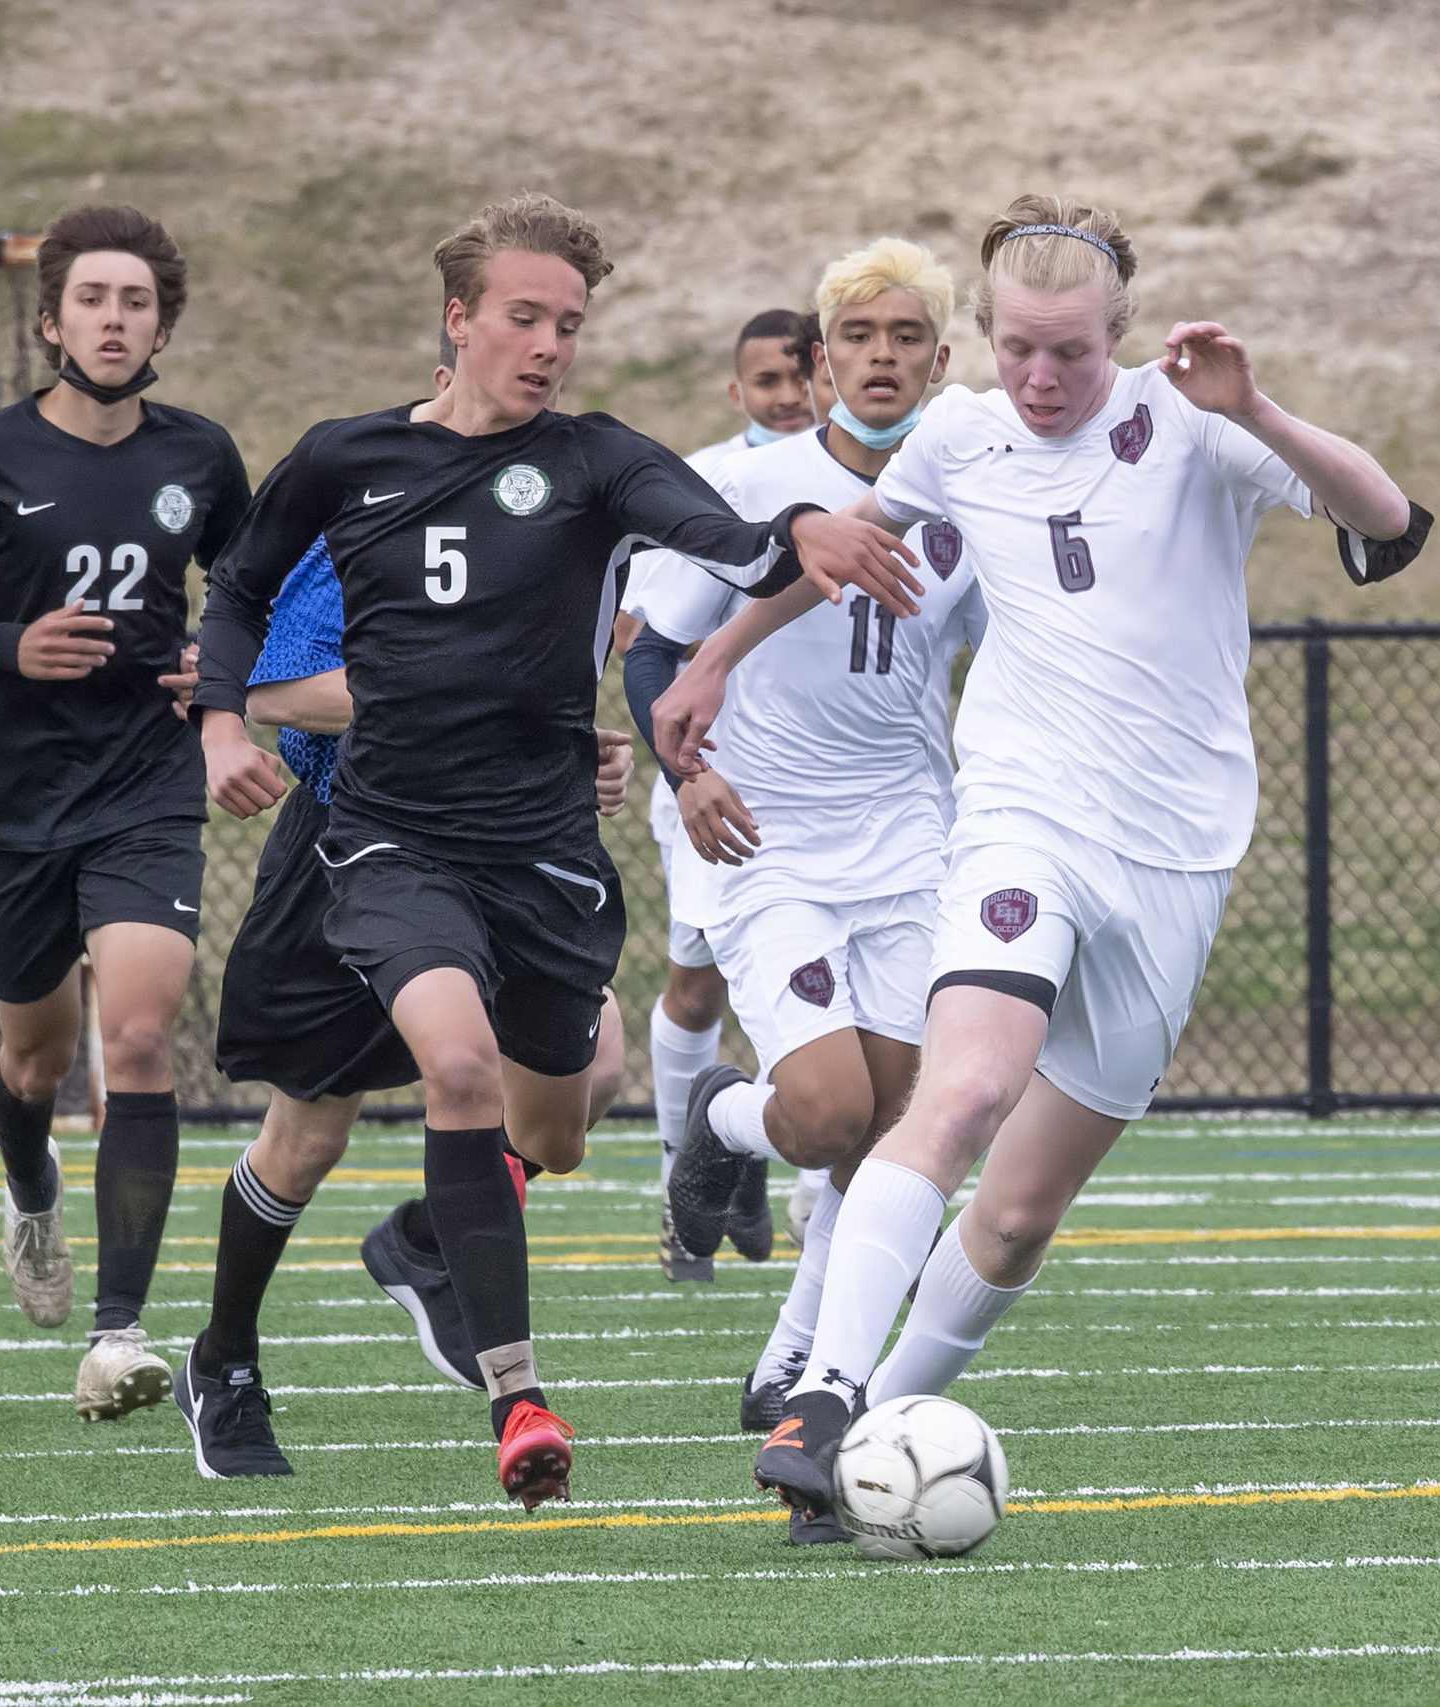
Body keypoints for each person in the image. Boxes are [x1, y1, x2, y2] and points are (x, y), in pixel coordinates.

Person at [654, 196, 1431, 1519]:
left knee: (1013, 1217)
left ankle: (868, 1430)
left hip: (1177, 855)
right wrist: (717, 655)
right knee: (957, 1094)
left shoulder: (1193, 424)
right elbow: (859, 553)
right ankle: (825, 1394)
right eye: (1016, 346)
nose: (1040, 376)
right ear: (988, 333)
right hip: (1023, 812)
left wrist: (1258, 408)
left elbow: (1392, 523)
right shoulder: (959, 434)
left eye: (1069, 351)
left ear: (1118, 334)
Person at [191, 192, 919, 1509]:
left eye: (569, 324)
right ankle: (473, 1391)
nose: (549, 344)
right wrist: (217, 721)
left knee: (563, 1120)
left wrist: (799, 534)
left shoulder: (594, 461)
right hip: (388, 838)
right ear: (459, 319)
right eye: (524, 317)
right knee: (420, 1081)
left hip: (539, 852)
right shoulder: (346, 458)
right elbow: (241, 587)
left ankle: (422, 1251)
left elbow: (726, 540)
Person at [0, 204, 248, 1424]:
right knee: (32, 1053)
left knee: (136, 1039)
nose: (115, 319)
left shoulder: (201, 459)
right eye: (93, 298)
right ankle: (30, 1196)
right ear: (51, 320)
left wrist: (217, 668)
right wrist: (2, 647)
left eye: (137, 302)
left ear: (163, 325)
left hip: (145, 791)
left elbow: (252, 596)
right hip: (20, 798)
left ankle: (119, 1333)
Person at [635, 245, 980, 1542]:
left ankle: (795, 1374)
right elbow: (660, 649)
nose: (882, 353)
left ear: (942, 362)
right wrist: (689, 769)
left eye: (908, 335)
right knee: (830, 1108)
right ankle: (717, 1125)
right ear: (820, 355)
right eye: (858, 333)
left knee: (895, 1133)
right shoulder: (741, 484)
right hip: (768, 840)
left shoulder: (969, 500)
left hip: (912, 848)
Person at [180, 510, 638, 1480]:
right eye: (530, 341)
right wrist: (436, 696)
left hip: (502, 844)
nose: (547, 354)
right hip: (357, 843)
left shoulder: (553, 510)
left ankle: (428, 1237)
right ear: (452, 365)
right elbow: (281, 689)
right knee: (309, 1135)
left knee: (583, 1086)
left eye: (563, 343)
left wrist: (578, 751)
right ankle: (222, 1361)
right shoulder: (369, 505)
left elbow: (537, 693)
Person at [620, 307, 821, 1281]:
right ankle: (684, 1179)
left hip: (847, 793)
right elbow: (643, 641)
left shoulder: (886, 483)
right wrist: (687, 772)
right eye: (766, 383)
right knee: (699, 988)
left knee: (864, 1015)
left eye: (799, 377)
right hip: (718, 783)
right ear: (737, 393)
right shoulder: (711, 484)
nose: (787, 398)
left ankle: (809, 1193)